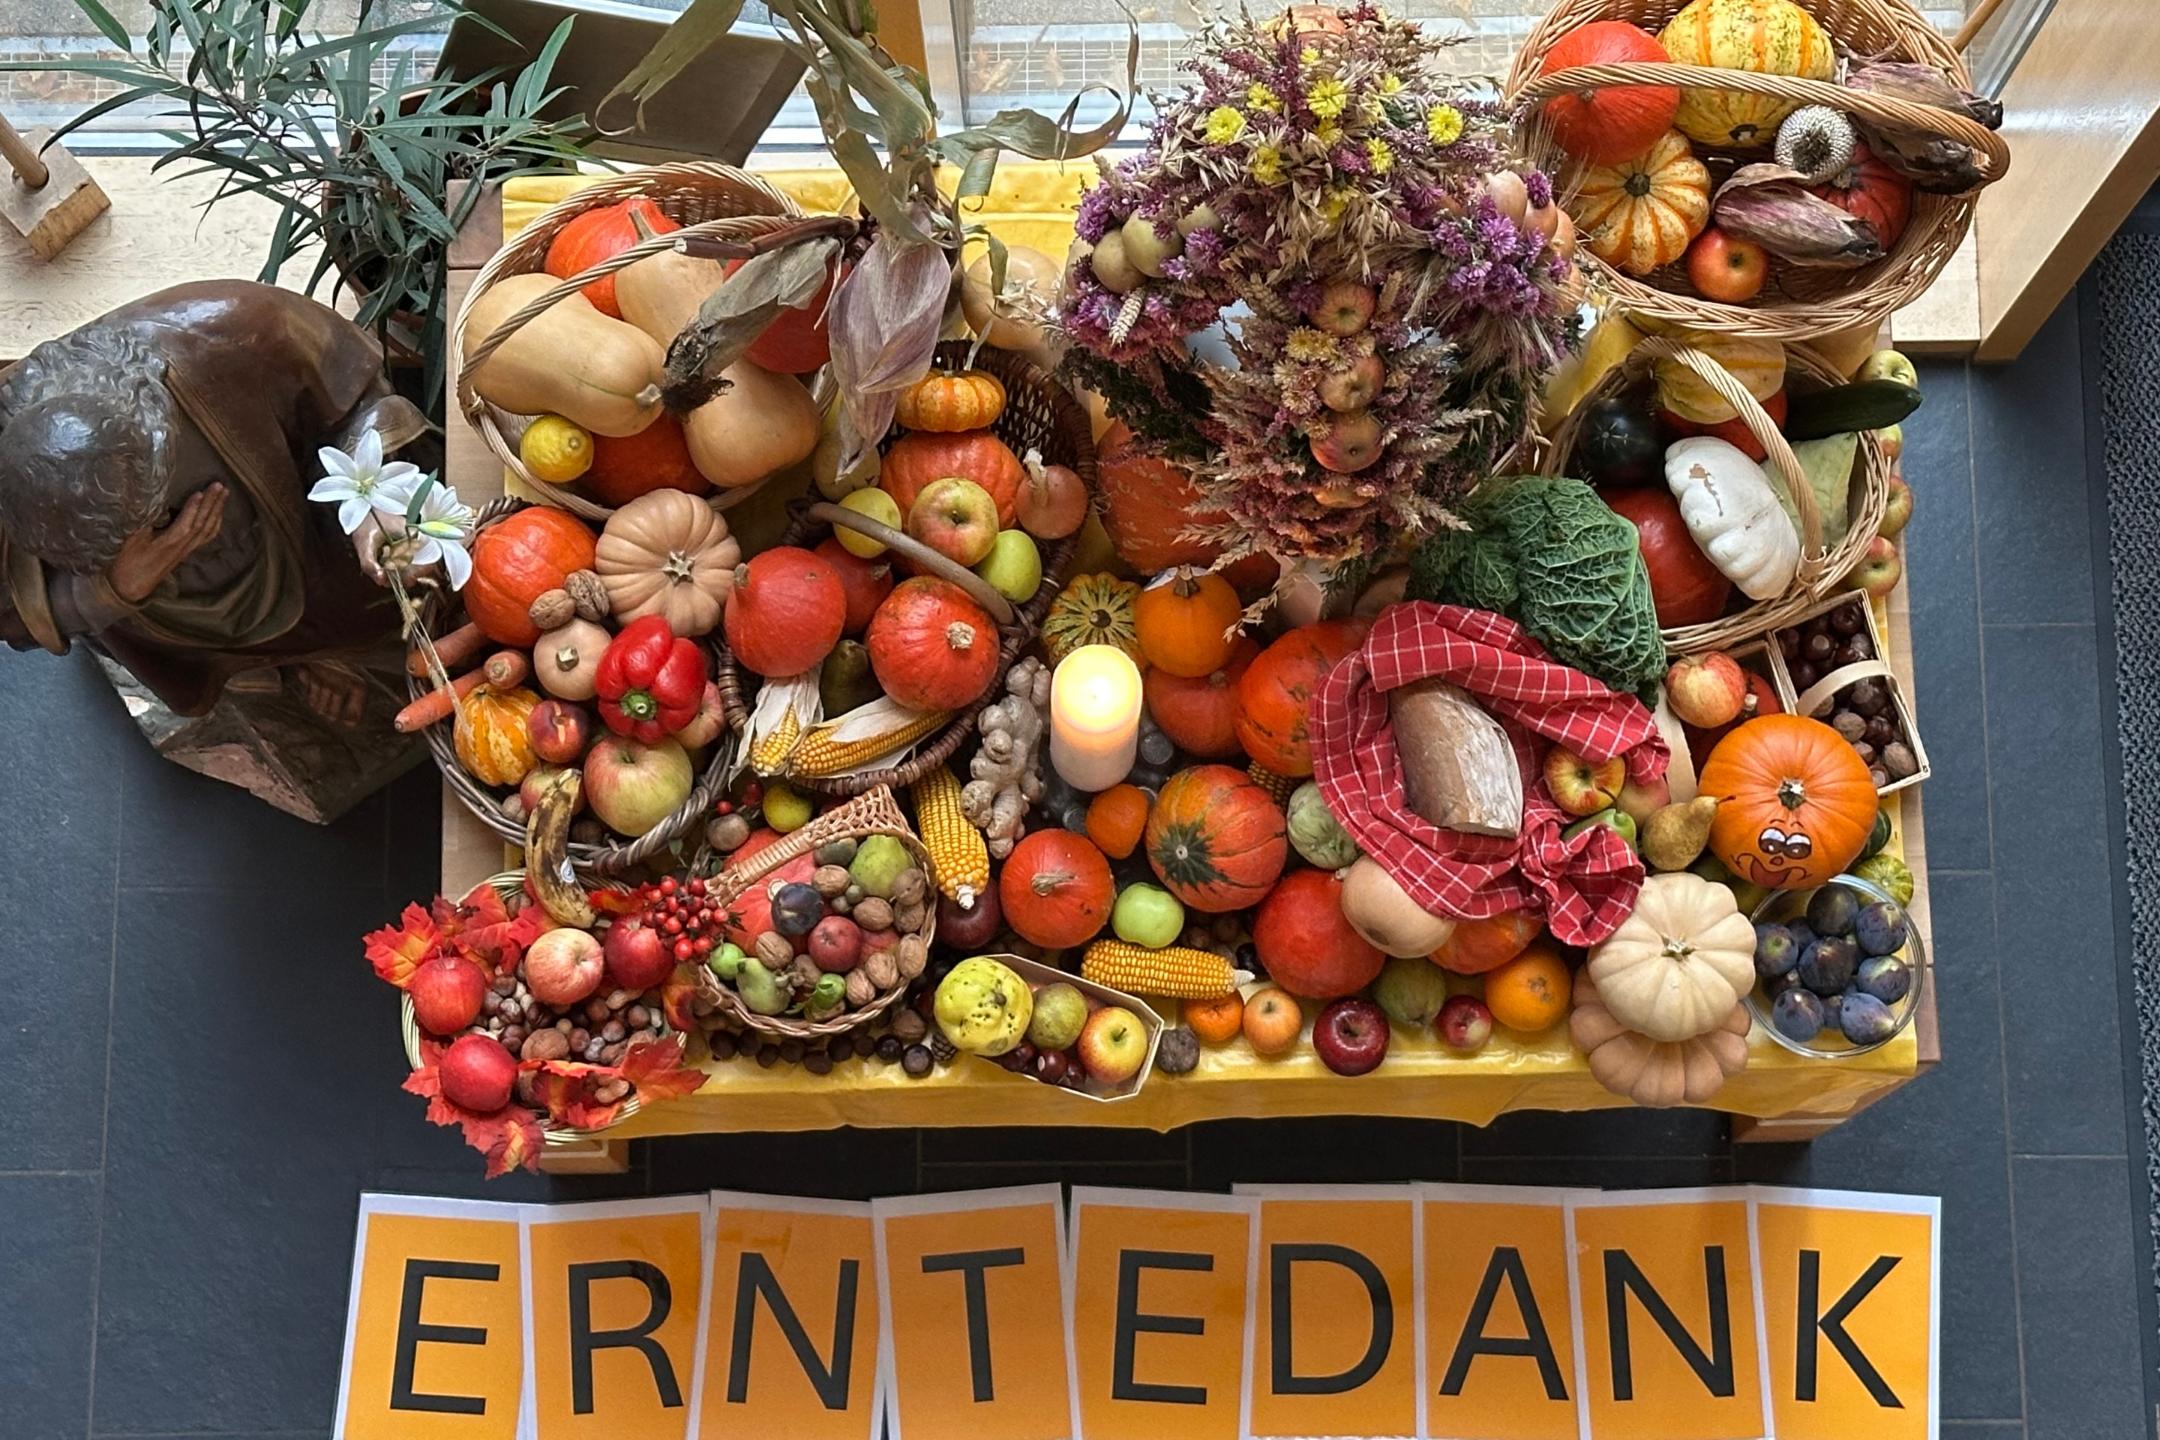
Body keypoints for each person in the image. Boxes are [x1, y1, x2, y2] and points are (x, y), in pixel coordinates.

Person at [0, 280, 428, 725]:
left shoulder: (236, 329)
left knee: (371, 604)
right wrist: (113, 589)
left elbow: (361, 401)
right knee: (183, 648)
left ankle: (336, 643)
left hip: (301, 539)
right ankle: (283, 660)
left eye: (156, 512)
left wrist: (370, 500)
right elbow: (18, 617)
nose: (168, 531)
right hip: (171, 623)